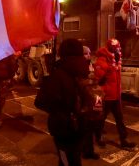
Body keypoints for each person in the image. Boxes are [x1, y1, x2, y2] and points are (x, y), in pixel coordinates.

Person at [46, 38, 90, 166]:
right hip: (82, 121)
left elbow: (42, 101)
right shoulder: (86, 69)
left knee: (64, 158)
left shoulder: (58, 73)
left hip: (62, 125)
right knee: (76, 155)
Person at [93, 38, 136, 148]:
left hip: (116, 96)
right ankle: (99, 137)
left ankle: (124, 139)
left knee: (120, 119)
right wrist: (110, 67)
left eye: (118, 48)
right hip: (106, 97)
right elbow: (99, 78)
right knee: (100, 119)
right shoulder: (102, 60)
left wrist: (115, 61)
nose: (118, 50)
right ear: (110, 48)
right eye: (116, 48)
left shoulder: (116, 59)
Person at [81, 46, 100, 159]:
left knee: (91, 128)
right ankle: (86, 151)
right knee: (85, 129)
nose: (88, 55)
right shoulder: (80, 66)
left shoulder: (90, 64)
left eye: (89, 53)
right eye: (85, 53)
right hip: (85, 102)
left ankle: (89, 150)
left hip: (92, 98)